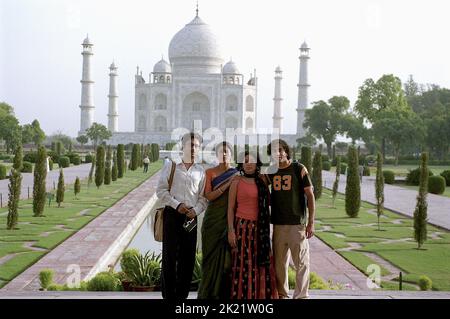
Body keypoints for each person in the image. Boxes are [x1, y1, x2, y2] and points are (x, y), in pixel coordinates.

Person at [156, 132, 207, 300]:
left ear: (199, 149)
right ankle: (169, 297)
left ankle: (182, 297)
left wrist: (196, 210)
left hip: (190, 217)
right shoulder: (171, 166)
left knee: (188, 256)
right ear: (182, 146)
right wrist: (177, 205)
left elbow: (203, 198)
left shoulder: (200, 171)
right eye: (190, 145)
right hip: (172, 215)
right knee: (169, 256)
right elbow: (161, 191)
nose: (193, 148)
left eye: (196, 146)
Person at [266, 139, 316, 299]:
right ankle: (282, 294)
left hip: (297, 224)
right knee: (279, 263)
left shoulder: (298, 168)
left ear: (286, 151)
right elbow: (258, 186)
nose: (278, 153)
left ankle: (301, 296)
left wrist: (311, 222)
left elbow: (310, 195)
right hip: (279, 224)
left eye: (280, 150)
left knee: (301, 262)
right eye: (274, 151)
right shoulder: (271, 171)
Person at [227, 151, 278, 299]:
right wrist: (231, 231)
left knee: (260, 264)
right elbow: (230, 208)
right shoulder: (236, 181)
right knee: (243, 263)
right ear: (241, 164)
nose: (249, 163)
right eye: (245, 161)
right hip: (242, 228)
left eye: (252, 161)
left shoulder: (262, 180)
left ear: (257, 164)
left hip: (260, 229)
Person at [197, 142, 238, 299]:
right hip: (213, 221)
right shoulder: (210, 173)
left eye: (226, 152)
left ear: (231, 154)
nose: (224, 155)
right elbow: (209, 196)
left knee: (228, 263)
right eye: (221, 152)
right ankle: (207, 295)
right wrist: (228, 184)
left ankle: (225, 296)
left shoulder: (237, 173)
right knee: (209, 261)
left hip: (230, 222)